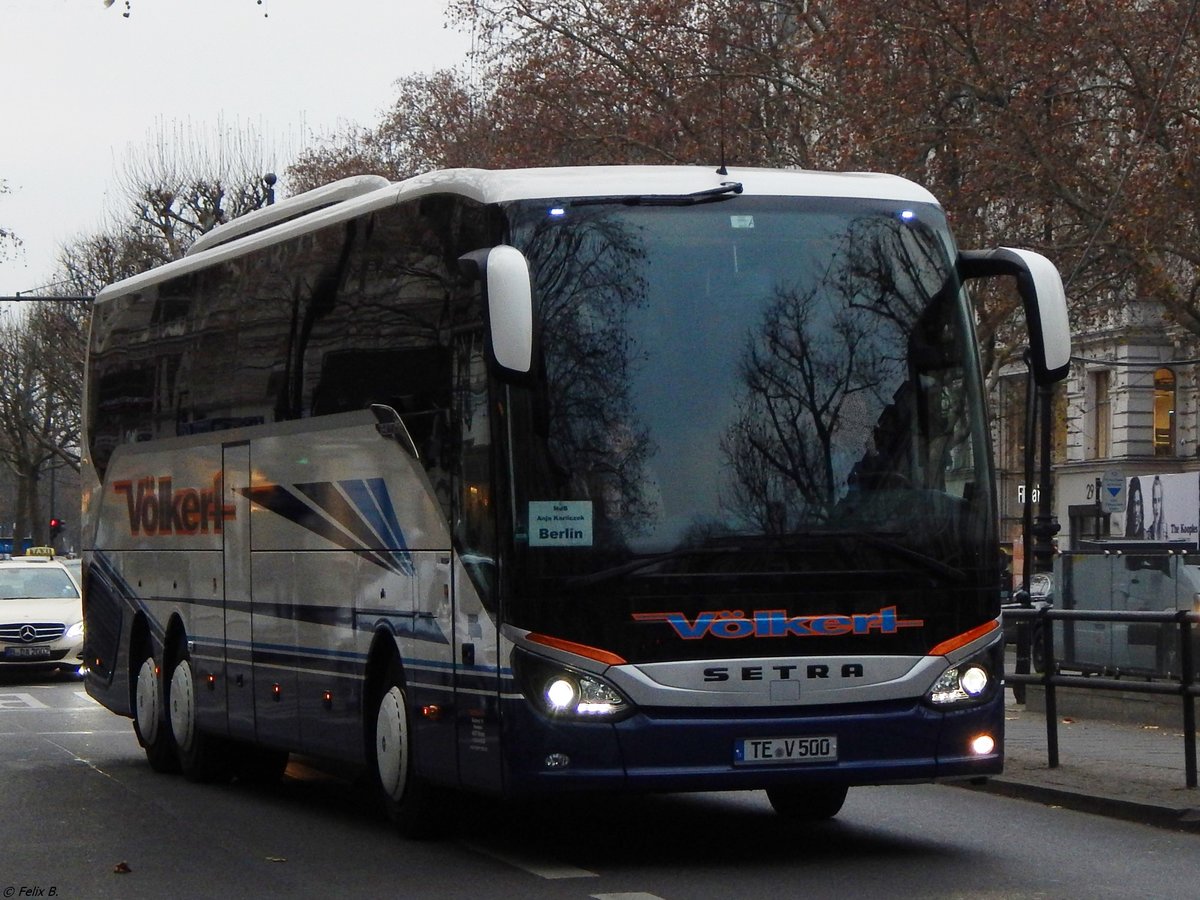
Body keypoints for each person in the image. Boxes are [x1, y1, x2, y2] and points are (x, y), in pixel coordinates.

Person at [1147, 475, 1167, 540]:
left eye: (1159, 501)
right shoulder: (1148, 532)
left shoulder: (1166, 530)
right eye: (1154, 501)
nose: (1157, 507)